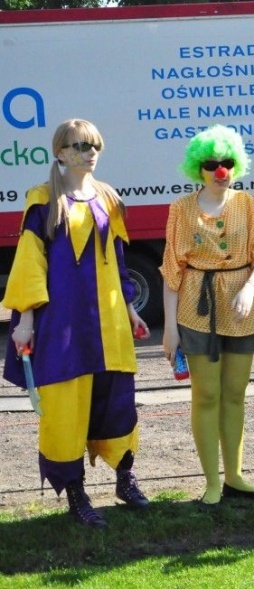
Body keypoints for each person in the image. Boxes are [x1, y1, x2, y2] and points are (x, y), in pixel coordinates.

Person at [2, 119, 151, 528]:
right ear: (61, 152)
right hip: (63, 326)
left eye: (95, 145)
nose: (90, 152)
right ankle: (77, 494)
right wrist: (25, 320)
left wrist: (131, 309)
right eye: (80, 145)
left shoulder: (109, 198)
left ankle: (124, 477)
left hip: (109, 324)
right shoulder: (44, 199)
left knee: (116, 402)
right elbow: (30, 264)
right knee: (66, 410)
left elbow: (117, 262)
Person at [160, 125, 254, 509]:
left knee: (235, 395)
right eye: (211, 163)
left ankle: (235, 475)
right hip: (196, 308)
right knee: (206, 394)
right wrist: (170, 329)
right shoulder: (181, 209)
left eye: (226, 162)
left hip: (243, 307)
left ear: (236, 164)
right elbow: (172, 271)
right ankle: (212, 481)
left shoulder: (247, 203)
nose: (219, 170)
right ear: (199, 167)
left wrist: (251, 287)